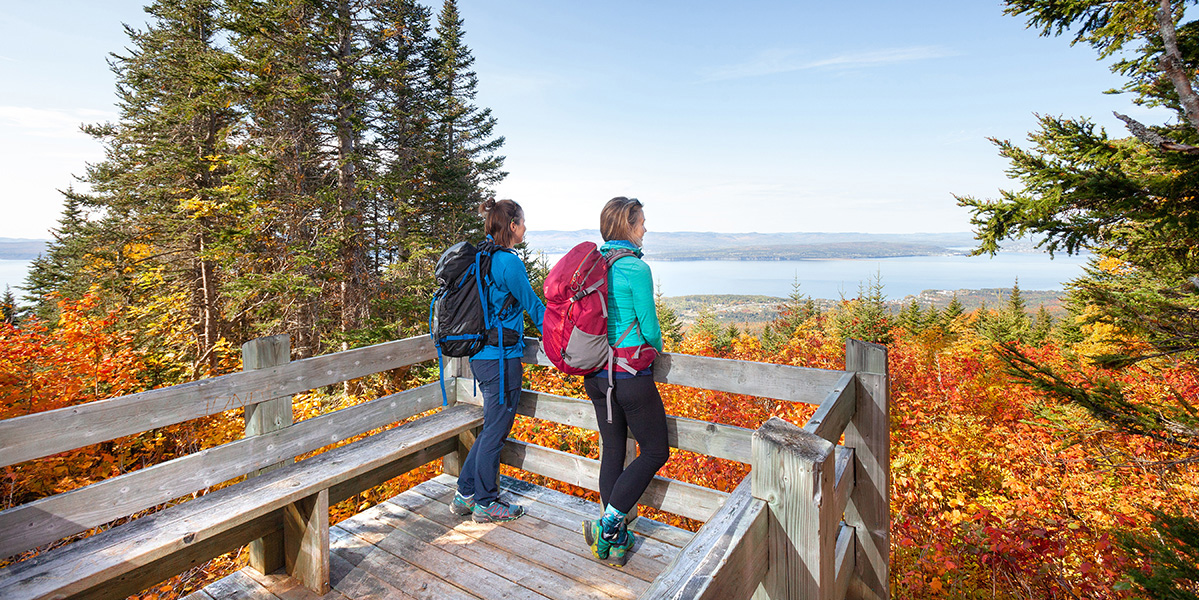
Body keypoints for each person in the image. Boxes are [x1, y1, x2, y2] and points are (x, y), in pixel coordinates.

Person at [582, 197, 669, 567]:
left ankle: (614, 542)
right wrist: (661, 351)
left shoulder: (595, 266)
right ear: (627, 227)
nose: (646, 228)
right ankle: (608, 524)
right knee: (654, 451)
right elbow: (649, 327)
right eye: (642, 222)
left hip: (597, 376)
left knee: (614, 450)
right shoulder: (634, 267)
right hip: (630, 375)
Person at [450, 198, 546, 523]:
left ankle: (465, 493)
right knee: (496, 431)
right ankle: (487, 502)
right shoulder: (509, 262)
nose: (526, 227)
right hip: (502, 360)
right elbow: (533, 306)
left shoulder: (479, 256)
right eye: (523, 221)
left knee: (491, 428)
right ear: (513, 226)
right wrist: (564, 336)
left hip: (480, 355)